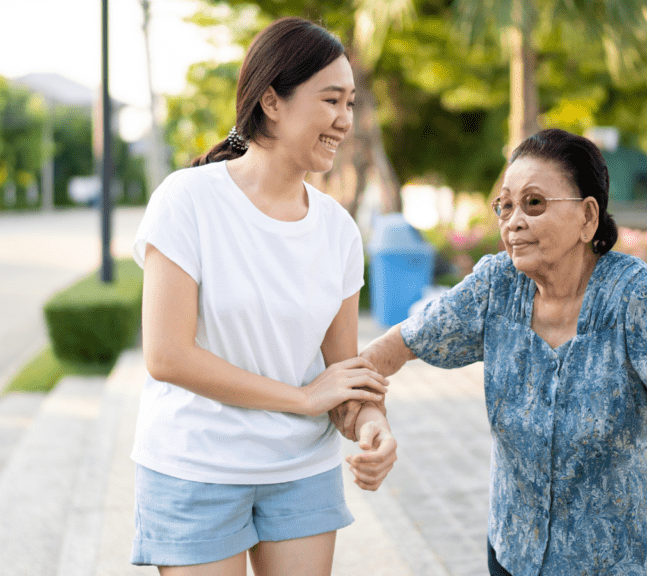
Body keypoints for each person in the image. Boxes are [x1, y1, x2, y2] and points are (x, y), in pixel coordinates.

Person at [335, 128, 647, 575]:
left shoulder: (637, 297)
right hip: (516, 554)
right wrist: (371, 417)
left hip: (620, 562)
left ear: (587, 218)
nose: (512, 221)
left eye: (534, 203)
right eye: (504, 206)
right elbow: (395, 346)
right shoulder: (496, 286)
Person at [130, 16, 397, 575]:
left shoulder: (338, 230)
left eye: (350, 103)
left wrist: (371, 423)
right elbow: (167, 356)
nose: (344, 120)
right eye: (330, 101)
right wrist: (301, 399)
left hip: (301, 472)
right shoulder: (187, 201)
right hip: (196, 466)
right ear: (272, 102)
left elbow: (341, 372)